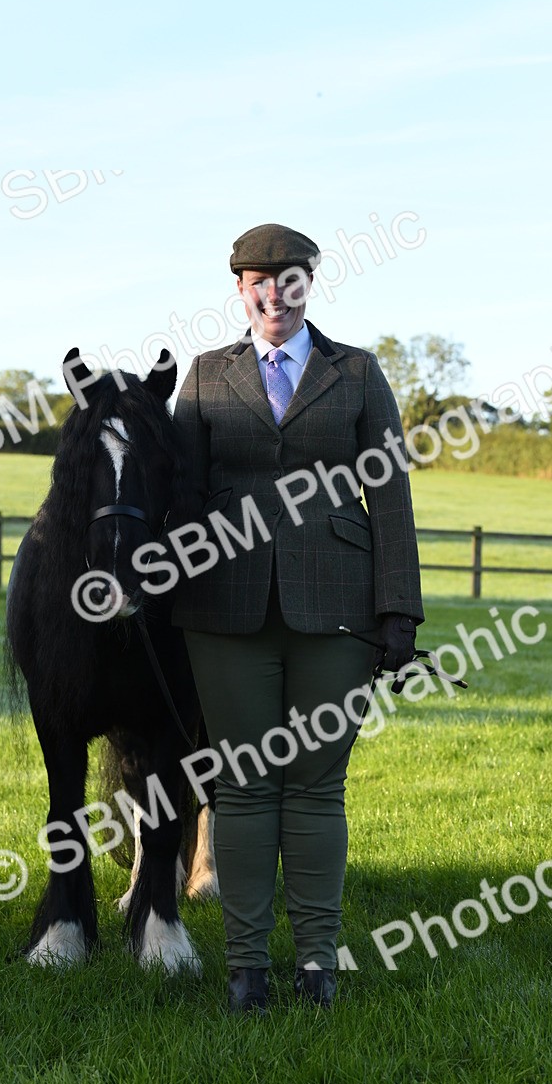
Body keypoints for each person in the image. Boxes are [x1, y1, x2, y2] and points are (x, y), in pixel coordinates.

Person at [171, 223, 423, 1012]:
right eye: (257, 282)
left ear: (310, 285)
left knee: (317, 788)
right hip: (224, 608)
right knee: (242, 788)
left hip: (337, 610)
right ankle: (246, 970)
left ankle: (318, 966)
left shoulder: (358, 372)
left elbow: (389, 491)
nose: (273, 295)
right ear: (239, 290)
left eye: (289, 281)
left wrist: (399, 612)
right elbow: (180, 492)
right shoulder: (208, 376)